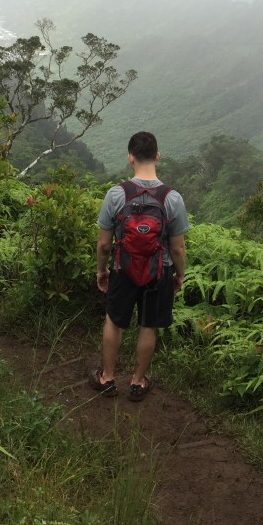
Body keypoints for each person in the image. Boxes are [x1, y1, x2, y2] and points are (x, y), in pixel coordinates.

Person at [90, 131, 188, 401]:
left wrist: (101, 270)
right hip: (159, 271)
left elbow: (104, 244)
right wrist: (179, 274)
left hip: (123, 269)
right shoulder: (172, 198)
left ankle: (107, 378)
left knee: (114, 322)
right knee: (148, 326)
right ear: (157, 156)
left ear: (130, 158)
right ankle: (137, 383)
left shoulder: (116, 195)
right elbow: (178, 248)